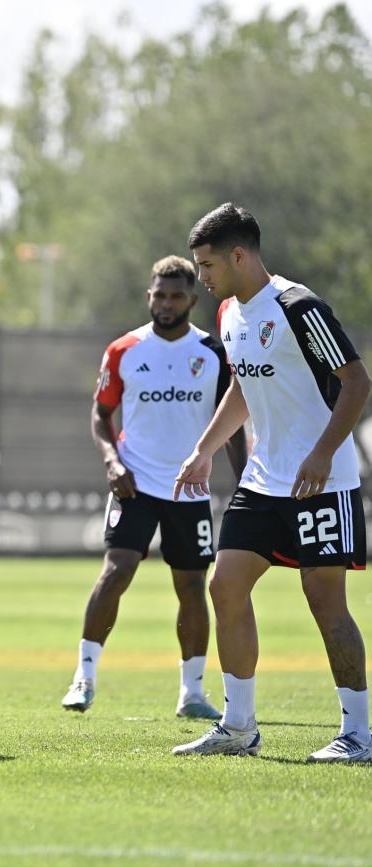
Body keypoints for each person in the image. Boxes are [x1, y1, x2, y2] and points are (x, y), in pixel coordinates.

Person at [173, 202, 371, 762]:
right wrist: (204, 451)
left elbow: (356, 384)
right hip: (263, 481)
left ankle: (357, 734)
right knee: (225, 586)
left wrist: (322, 454)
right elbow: (243, 385)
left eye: (207, 265)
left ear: (239, 255)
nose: (202, 277)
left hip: (321, 481)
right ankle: (239, 727)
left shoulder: (297, 306)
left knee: (324, 601)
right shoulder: (230, 314)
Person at [61, 256, 247, 718]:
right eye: (159, 295)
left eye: (176, 295)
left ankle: (192, 693)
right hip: (135, 483)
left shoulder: (212, 352)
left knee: (191, 585)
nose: (166, 304)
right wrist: (112, 462)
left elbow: (233, 422)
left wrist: (244, 480)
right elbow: (101, 414)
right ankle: (84, 677)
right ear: (149, 296)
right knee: (117, 570)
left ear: (192, 298)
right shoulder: (124, 349)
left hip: (189, 488)